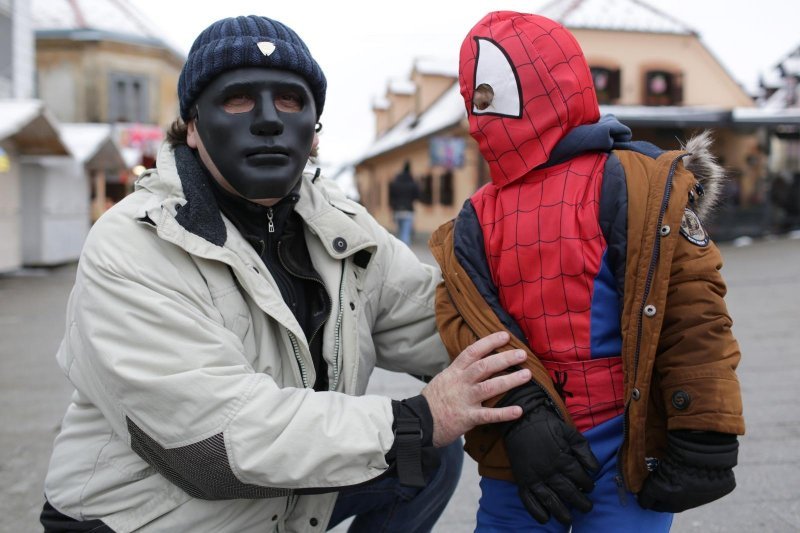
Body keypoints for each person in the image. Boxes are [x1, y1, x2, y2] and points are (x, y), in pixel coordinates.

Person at [38, 15, 532, 533]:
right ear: (192, 126)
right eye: (237, 99)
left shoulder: (338, 224)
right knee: (413, 438)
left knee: (426, 459)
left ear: (314, 131)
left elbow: (438, 320)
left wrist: (545, 379)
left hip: (272, 495)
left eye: (291, 100)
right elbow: (211, 443)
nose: (270, 120)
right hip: (147, 515)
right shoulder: (133, 243)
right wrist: (418, 418)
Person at [428, 11, 745, 532]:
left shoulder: (636, 184)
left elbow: (695, 313)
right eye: (475, 103)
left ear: (550, 82)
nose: (480, 116)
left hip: (627, 441)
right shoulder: (474, 219)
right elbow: (467, 324)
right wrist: (521, 410)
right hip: (522, 454)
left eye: (490, 98)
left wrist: (703, 428)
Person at [388, 160, 420, 245]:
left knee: (399, 233)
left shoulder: (396, 182)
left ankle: (399, 253)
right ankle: (404, 255)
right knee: (405, 235)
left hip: (397, 210)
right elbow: (417, 195)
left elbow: (391, 196)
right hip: (408, 210)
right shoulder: (412, 182)